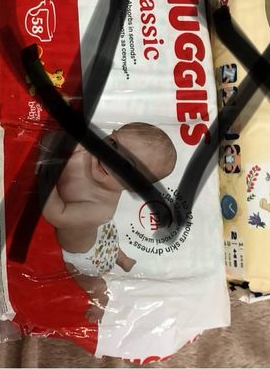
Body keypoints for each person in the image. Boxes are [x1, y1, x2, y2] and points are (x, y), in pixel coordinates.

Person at [40, 123, 176, 321]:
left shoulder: (100, 209)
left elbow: (56, 215)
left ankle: (101, 295)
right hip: (104, 233)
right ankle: (122, 258)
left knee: (84, 278)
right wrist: (53, 146)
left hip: (87, 256)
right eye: (113, 144)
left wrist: (44, 173)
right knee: (108, 240)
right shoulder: (87, 150)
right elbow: (55, 139)